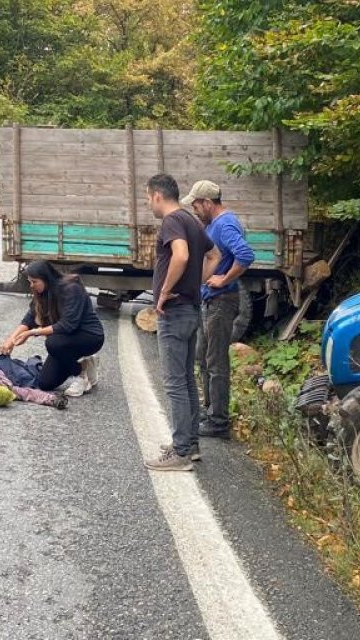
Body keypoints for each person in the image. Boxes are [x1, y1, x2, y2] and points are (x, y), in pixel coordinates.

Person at [143, 174, 212, 472]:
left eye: (148, 198)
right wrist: (194, 285)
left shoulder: (172, 221)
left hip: (174, 312)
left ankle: (181, 452)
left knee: (174, 384)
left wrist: (167, 291)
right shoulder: (193, 221)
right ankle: (190, 444)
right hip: (192, 309)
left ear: (158, 195)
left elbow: (180, 256)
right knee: (185, 380)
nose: (149, 204)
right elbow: (215, 255)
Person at [184, 180, 255, 440]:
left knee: (215, 361)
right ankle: (210, 409)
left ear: (207, 202)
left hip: (222, 300)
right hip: (210, 300)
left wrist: (224, 279)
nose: (194, 209)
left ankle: (219, 421)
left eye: (195, 204)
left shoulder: (225, 224)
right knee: (203, 356)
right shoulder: (214, 224)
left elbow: (245, 255)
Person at [0, 261, 103, 397]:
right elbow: (29, 319)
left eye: (34, 281)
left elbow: (67, 325)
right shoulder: (42, 293)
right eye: (30, 281)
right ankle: (86, 363)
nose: (31, 285)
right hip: (65, 340)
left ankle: (81, 375)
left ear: (46, 278)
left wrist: (31, 333)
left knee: (53, 343)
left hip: (89, 336)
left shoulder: (71, 289)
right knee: (45, 383)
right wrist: (10, 340)